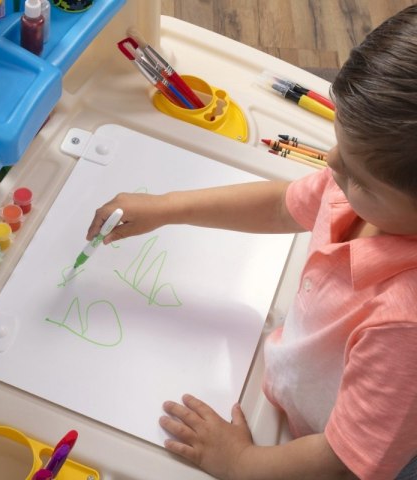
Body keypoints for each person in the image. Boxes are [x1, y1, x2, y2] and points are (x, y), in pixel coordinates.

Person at [86, 5, 417, 479]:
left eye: (359, 176)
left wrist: (240, 463)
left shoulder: (404, 327)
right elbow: (282, 206)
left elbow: (343, 461)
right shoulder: (358, 191)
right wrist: (166, 208)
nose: (330, 161)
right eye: (339, 140)